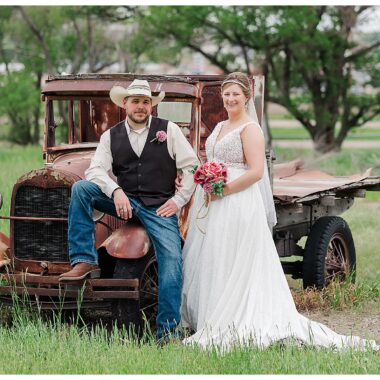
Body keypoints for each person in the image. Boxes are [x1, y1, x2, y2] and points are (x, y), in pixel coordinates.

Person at [180, 72, 379, 352]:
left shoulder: (250, 129)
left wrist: (224, 190)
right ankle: (209, 315)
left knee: (235, 256)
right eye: (226, 94)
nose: (230, 98)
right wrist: (208, 177)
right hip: (214, 201)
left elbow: (256, 172)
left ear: (246, 98)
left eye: (236, 94)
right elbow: (212, 158)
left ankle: (234, 317)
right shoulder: (221, 125)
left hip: (237, 199)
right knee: (215, 255)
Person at [59, 79, 199, 340]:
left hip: (159, 208)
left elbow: (192, 166)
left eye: (146, 102)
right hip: (124, 201)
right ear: (124, 104)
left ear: (151, 106)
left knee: (172, 262)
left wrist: (178, 200)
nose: (141, 106)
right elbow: (95, 170)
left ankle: (167, 332)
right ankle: (84, 260)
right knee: (81, 190)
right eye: (135, 101)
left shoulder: (168, 130)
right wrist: (115, 190)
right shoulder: (111, 135)